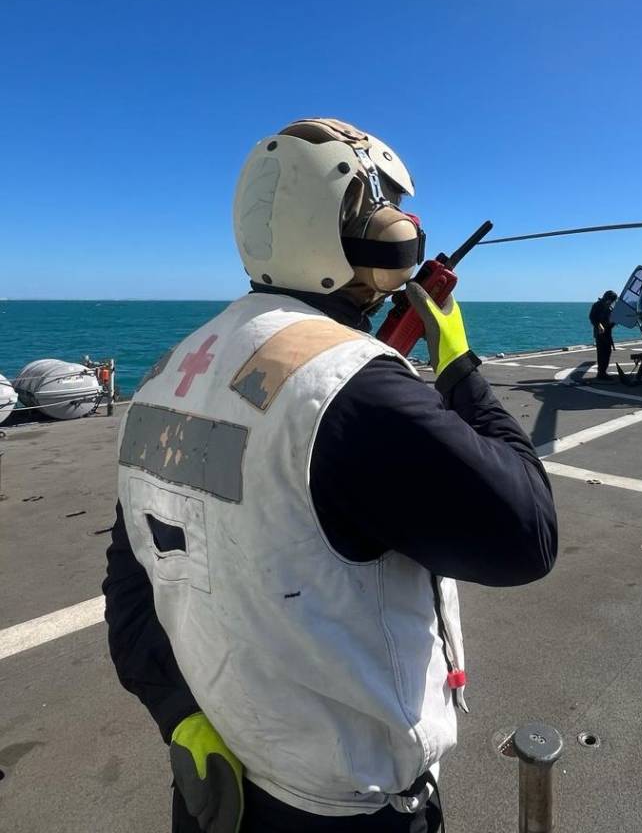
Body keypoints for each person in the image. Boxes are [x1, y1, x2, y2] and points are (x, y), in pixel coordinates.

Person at [102, 117, 558, 833]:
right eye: (384, 211)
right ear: (346, 228)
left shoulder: (166, 376)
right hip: (348, 806)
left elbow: (128, 583)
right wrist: (461, 366)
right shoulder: (356, 390)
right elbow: (529, 533)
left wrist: (179, 716)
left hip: (214, 788)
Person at [589, 290, 618, 380]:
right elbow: (592, 317)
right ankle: (601, 373)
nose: (611, 302)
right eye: (611, 300)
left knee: (607, 352)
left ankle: (602, 372)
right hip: (599, 333)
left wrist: (614, 322)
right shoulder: (597, 305)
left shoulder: (610, 308)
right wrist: (599, 325)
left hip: (607, 333)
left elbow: (610, 321)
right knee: (602, 353)